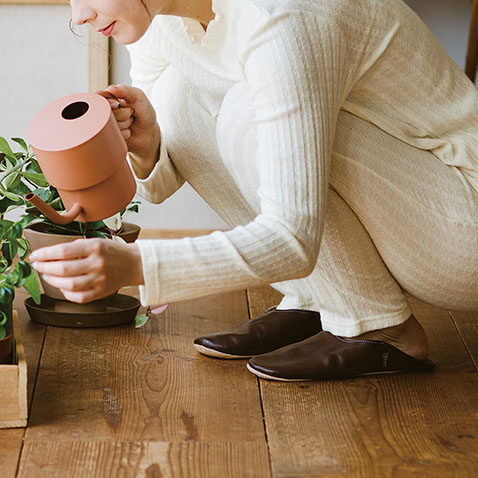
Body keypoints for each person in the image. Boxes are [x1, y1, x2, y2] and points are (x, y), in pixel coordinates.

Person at [29, 0, 478, 381]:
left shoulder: (284, 14)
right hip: (418, 207)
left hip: (461, 219)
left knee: (247, 114)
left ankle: (379, 327)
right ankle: (321, 297)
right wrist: (146, 145)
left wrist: (138, 265)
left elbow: (293, 237)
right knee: (180, 98)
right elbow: (161, 180)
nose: (79, 15)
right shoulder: (162, 20)